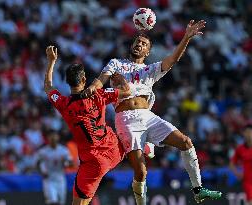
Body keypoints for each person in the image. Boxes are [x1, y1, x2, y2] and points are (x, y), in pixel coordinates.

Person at [85, 20, 222, 204]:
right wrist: (92, 88)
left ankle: (198, 189)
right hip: (126, 119)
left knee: (186, 142)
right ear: (131, 45)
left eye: (144, 44)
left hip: (147, 117)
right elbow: (100, 80)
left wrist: (186, 37)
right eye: (137, 42)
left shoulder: (150, 70)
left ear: (147, 52)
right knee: (141, 172)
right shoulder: (116, 63)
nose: (139, 45)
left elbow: (173, 59)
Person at [44, 46, 152, 205]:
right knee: (128, 132)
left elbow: (48, 86)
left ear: (67, 82)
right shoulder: (99, 95)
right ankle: (145, 147)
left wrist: (51, 62)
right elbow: (126, 92)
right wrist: (117, 77)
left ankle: (144, 146)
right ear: (84, 80)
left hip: (94, 162)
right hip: (115, 148)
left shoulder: (63, 104)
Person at [36, 130, 73, 205]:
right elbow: (37, 163)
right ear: (47, 138)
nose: (53, 138)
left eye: (54, 136)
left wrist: (65, 162)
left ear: (58, 137)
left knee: (61, 202)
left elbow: (70, 164)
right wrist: (42, 172)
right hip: (49, 179)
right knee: (53, 201)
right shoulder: (43, 151)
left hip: (60, 179)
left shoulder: (63, 150)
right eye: (50, 136)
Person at [230, 124, 252, 205]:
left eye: (250, 132)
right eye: (247, 132)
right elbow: (232, 163)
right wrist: (237, 173)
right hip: (248, 181)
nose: (248, 134)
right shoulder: (240, 149)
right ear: (244, 134)